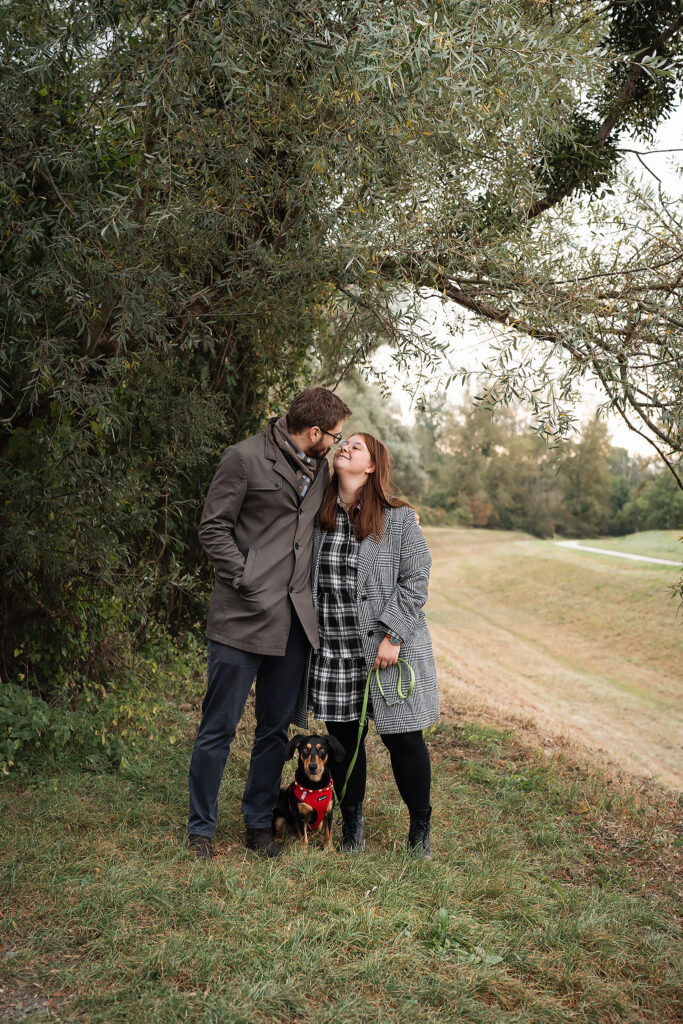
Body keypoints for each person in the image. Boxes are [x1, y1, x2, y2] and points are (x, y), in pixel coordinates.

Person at [187, 388, 352, 859]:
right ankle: (201, 828)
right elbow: (212, 527)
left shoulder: (321, 469)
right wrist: (246, 576)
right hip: (240, 617)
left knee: (274, 733)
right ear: (314, 432)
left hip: (294, 626)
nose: (337, 446)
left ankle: (259, 824)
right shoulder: (243, 459)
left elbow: (358, 494)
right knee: (218, 727)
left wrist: (399, 511)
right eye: (334, 437)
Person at [293, 432, 439, 857]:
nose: (346, 449)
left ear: (372, 466)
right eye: (344, 445)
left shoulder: (398, 519)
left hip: (387, 652)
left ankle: (420, 831)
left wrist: (394, 634)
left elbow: (417, 579)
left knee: (404, 740)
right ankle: (352, 827)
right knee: (343, 745)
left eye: (357, 447)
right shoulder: (318, 516)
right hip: (335, 651)